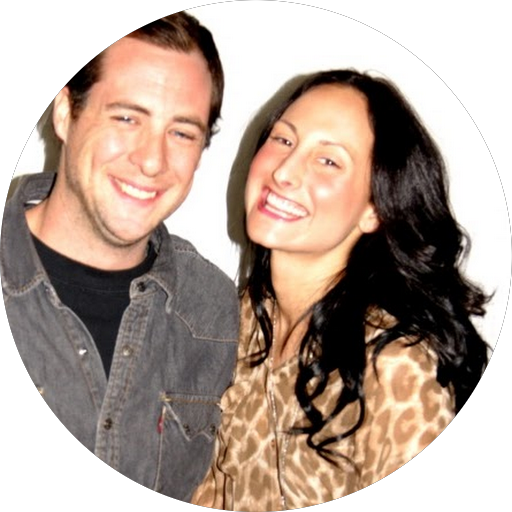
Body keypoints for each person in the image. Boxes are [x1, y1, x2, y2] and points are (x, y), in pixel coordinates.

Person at [192, 69, 489, 509]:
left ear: (375, 209)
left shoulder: (396, 363)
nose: (285, 171)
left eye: (328, 161)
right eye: (283, 139)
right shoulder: (238, 321)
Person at [2, 12, 239, 501]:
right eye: (127, 118)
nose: (152, 160)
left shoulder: (213, 309)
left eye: (182, 132)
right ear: (64, 113)